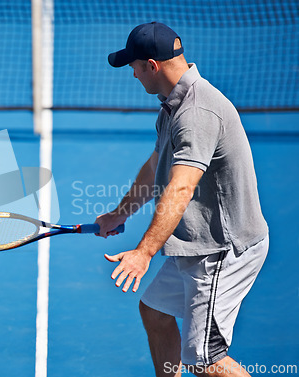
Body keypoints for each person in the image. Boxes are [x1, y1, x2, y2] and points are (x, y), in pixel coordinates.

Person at [95, 22, 269, 377]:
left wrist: (143, 253)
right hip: (196, 244)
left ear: (151, 66)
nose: (132, 73)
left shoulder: (196, 113)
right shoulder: (172, 106)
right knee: (155, 312)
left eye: (133, 65)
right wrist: (118, 214)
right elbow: (155, 163)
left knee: (206, 361)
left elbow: (181, 188)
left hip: (222, 250)